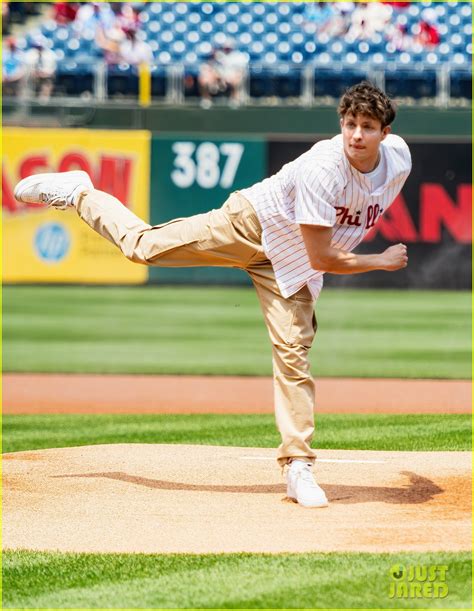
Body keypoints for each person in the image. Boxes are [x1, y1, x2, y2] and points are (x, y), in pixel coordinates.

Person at [14, 82, 411, 508]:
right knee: (142, 248)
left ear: (384, 134)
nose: (355, 134)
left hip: (290, 265)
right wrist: (380, 261)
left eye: (367, 126)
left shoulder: (399, 160)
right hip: (251, 225)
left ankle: (298, 466)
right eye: (349, 123)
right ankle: (79, 193)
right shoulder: (323, 168)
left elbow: (315, 252)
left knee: (294, 352)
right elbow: (322, 256)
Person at [198, 39, 247, 109]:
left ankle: (234, 99)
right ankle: (206, 99)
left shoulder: (238, 57)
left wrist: (227, 77)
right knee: (204, 79)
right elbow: (210, 67)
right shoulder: (218, 55)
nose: (227, 49)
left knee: (236, 79)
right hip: (218, 75)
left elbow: (241, 71)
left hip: (230, 76)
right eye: (225, 47)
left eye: (229, 47)